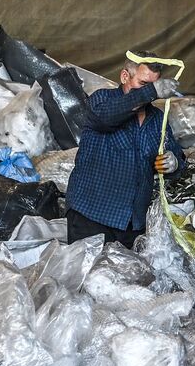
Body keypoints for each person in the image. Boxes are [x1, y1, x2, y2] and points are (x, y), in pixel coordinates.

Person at [65, 51, 185, 246]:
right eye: (144, 84)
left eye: (155, 85)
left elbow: (174, 153)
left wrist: (174, 162)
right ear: (124, 76)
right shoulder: (102, 100)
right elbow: (106, 118)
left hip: (132, 224)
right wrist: (152, 91)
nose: (151, 93)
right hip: (92, 215)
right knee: (91, 275)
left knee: (129, 276)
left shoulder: (157, 119)